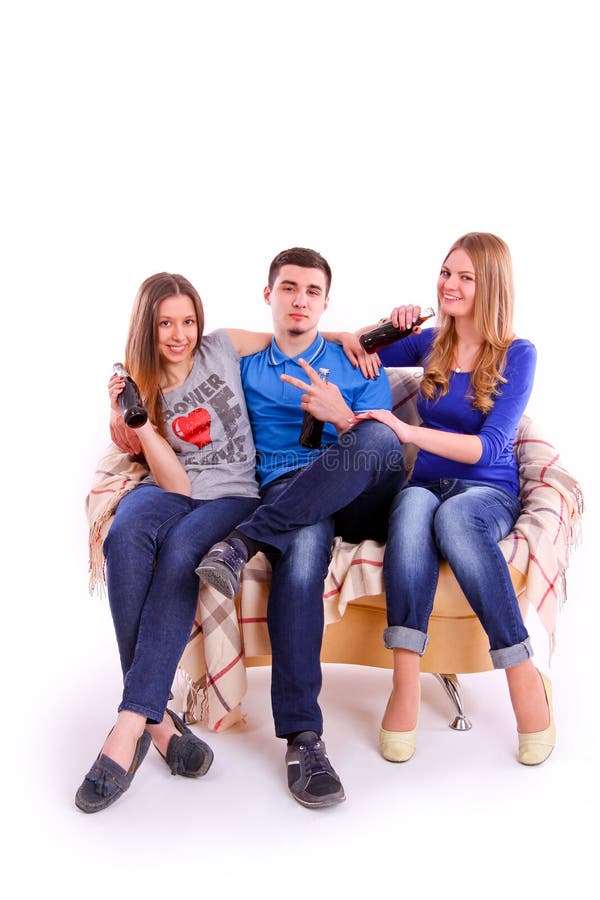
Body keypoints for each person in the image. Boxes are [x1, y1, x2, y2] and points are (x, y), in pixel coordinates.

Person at [195, 247, 405, 808]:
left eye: (312, 292)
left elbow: (382, 442)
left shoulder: (358, 362)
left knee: (379, 436)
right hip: (289, 493)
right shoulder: (247, 366)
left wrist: (341, 415)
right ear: (270, 295)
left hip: (359, 487)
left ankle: (244, 540)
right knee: (305, 547)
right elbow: (179, 355)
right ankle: (303, 739)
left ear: (326, 301)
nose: (300, 300)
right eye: (289, 288)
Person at [355, 232, 555, 766]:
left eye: (465, 276)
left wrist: (408, 432)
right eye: (446, 272)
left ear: (489, 285)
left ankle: (522, 676)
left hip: (486, 490)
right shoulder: (432, 343)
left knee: (457, 520)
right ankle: (404, 684)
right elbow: (354, 353)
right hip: (426, 485)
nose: (450, 284)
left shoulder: (519, 353)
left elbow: (490, 446)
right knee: (413, 507)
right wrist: (387, 326)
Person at [77, 272, 271, 813]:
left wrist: (355, 337)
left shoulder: (224, 347)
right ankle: (159, 722)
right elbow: (178, 485)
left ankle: (129, 727)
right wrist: (138, 424)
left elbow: (291, 338)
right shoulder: (142, 387)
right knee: (126, 531)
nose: (179, 334)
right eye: (166, 323)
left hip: (236, 496)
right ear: (148, 327)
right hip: (182, 493)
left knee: (182, 551)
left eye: (187, 321)